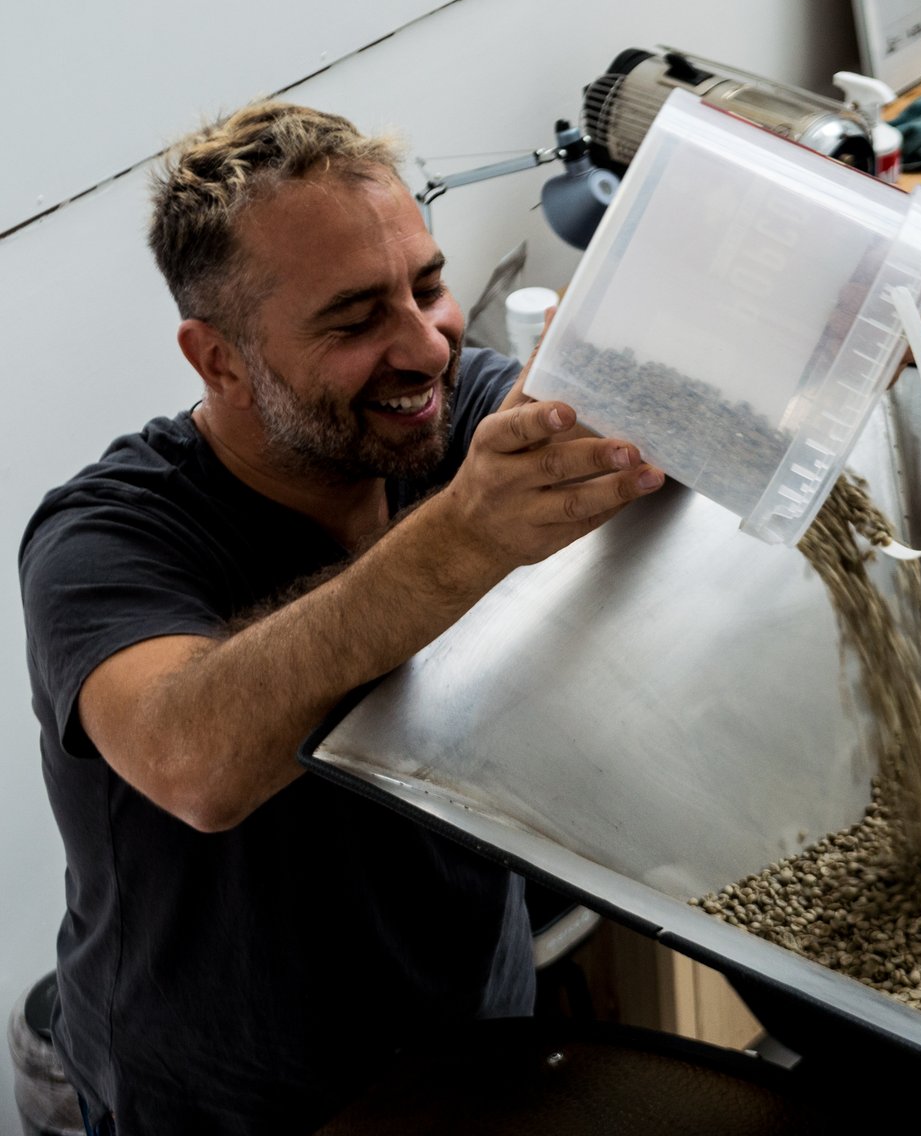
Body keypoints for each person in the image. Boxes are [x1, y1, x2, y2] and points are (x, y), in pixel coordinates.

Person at [18, 99, 668, 1136]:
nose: (426, 347)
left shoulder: (450, 419)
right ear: (217, 358)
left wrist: (817, 338)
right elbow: (195, 759)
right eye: (355, 319)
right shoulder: (103, 539)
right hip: (228, 1109)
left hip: (473, 1044)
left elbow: (637, 412)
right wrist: (465, 535)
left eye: (428, 286)